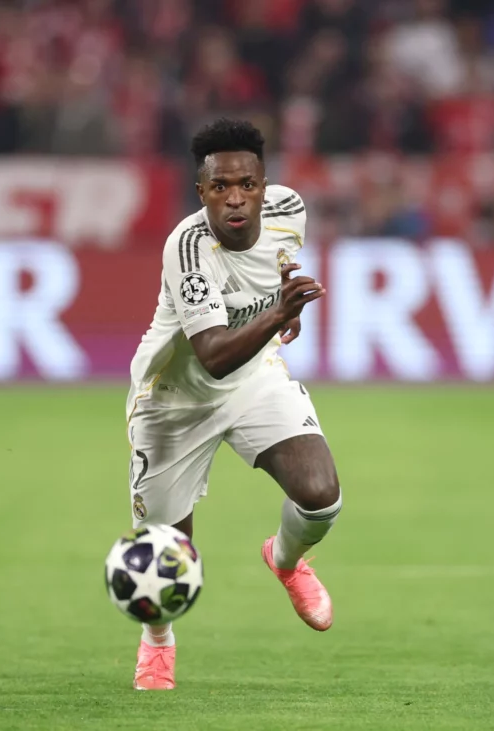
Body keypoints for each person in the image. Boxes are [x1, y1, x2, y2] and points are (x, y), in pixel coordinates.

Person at [125, 118, 342, 691]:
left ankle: (287, 561)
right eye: (220, 187)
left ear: (265, 183)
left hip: (254, 381)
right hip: (172, 402)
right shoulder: (188, 245)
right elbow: (212, 354)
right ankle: (158, 640)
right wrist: (279, 312)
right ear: (202, 193)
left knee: (321, 497)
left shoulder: (290, 209)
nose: (235, 198)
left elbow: (277, 272)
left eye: (246, 183)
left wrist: (285, 306)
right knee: (168, 554)